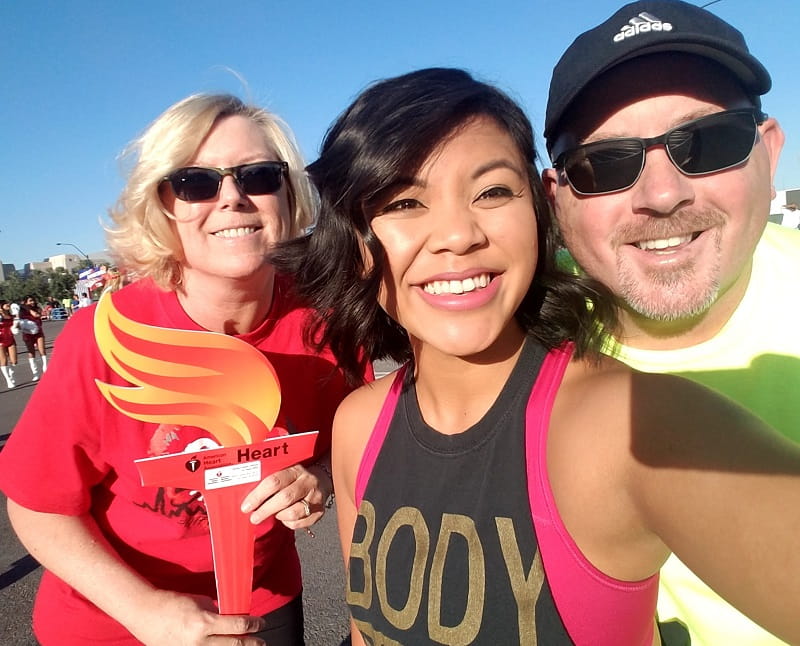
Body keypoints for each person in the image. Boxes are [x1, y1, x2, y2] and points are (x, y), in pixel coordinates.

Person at [271, 67, 800, 645]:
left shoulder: (631, 424)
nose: (457, 234)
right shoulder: (358, 425)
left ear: (538, 210)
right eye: (404, 202)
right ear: (352, 240)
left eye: (493, 192)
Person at [0, 93, 371, 646]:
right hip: (113, 619)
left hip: (262, 607)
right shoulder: (104, 337)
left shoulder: (331, 323)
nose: (233, 199)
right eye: (196, 182)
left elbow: (348, 437)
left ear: (289, 194)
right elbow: (37, 505)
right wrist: (145, 610)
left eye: (259, 175)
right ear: (163, 206)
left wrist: (316, 478)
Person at [541, 2, 800, 644]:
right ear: (558, 199)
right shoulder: (521, 331)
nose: (662, 196)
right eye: (605, 163)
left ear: (768, 152)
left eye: (708, 144)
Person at [19, 295, 48, 381]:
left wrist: (30, 309)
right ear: (25, 302)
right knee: (31, 352)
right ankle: (35, 373)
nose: (32, 302)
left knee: (42, 350)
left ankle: (45, 368)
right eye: (30, 301)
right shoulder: (22, 312)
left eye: (33, 300)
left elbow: (37, 315)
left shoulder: (36, 308)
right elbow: (20, 322)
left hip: (38, 332)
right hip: (28, 334)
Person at [0, 299, 19, 389]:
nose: (8, 304)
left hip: (10, 339)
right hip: (1, 341)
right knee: (3, 361)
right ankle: (8, 380)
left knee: (14, 361)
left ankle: (11, 373)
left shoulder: (11, 315)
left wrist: (16, 324)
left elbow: (17, 326)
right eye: (5, 304)